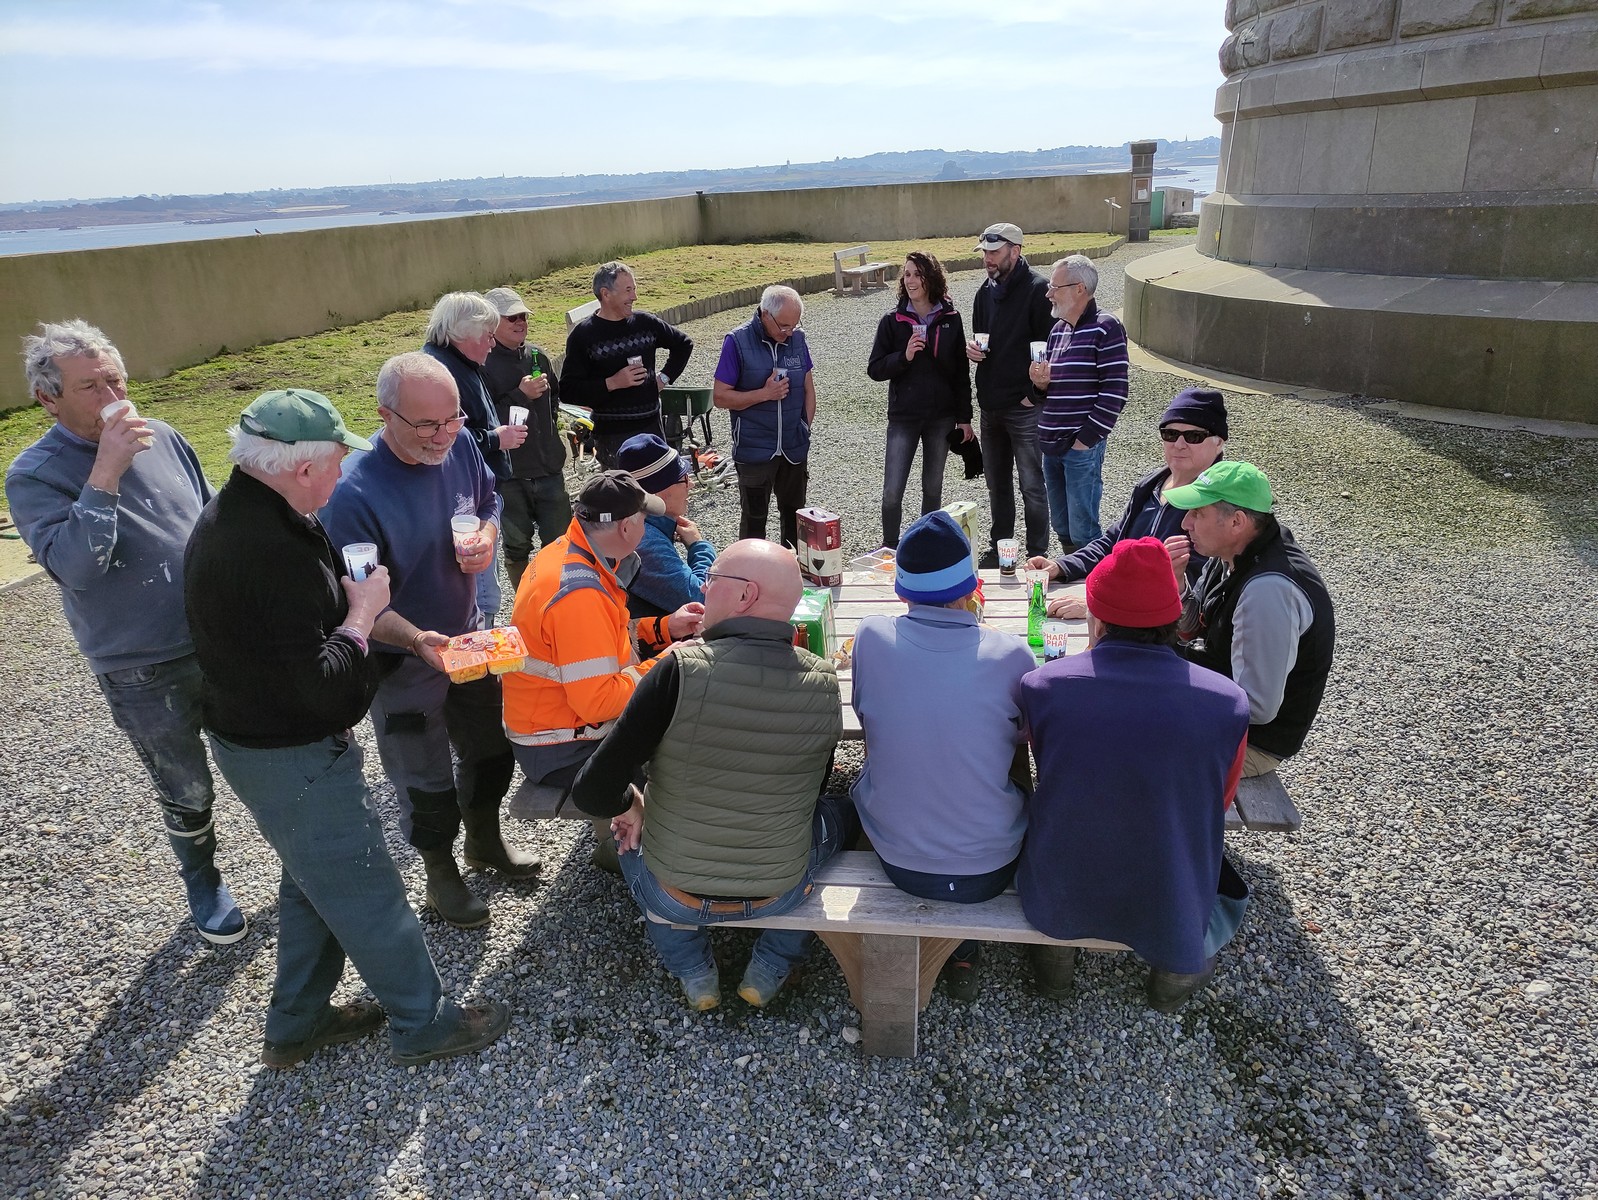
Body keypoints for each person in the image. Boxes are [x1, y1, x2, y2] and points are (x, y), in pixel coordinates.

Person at [183, 389, 510, 1067]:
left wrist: (412, 635)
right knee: (367, 887)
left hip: (273, 745)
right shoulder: (259, 549)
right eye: (335, 463)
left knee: (313, 881)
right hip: (291, 754)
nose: (341, 477)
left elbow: (331, 608)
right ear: (302, 467)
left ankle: (295, 1023)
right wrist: (363, 615)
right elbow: (327, 688)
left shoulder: (264, 509)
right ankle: (425, 1023)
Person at [7, 319, 245, 946]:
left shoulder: (164, 437)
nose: (112, 394)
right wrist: (106, 470)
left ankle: (299, 864)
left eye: (115, 377)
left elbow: (211, 519)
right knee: (185, 781)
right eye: (90, 386)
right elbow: (76, 567)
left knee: (263, 751)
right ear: (48, 399)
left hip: (219, 639)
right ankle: (203, 879)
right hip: (141, 663)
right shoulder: (34, 475)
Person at [569, 539, 848, 1012]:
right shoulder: (823, 682)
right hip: (776, 893)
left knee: (632, 836)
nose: (703, 585)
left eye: (712, 577)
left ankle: (695, 973)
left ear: (745, 595)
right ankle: (773, 962)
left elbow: (593, 790)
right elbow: (812, 789)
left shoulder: (677, 670)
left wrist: (638, 804)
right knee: (840, 812)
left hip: (674, 891)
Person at [320, 352, 537, 931]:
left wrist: (488, 540)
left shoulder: (459, 444)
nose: (444, 436)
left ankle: (484, 842)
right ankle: (441, 876)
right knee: (425, 776)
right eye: (427, 425)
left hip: (468, 638)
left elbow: (488, 503)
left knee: (494, 748)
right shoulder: (353, 493)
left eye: (454, 418)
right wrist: (417, 640)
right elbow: (357, 605)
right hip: (402, 658)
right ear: (384, 415)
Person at [1018, 537, 1252, 1013]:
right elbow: (1220, 799)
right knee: (1210, 868)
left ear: (1097, 618)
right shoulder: (1227, 702)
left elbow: (1046, 765)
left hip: (1063, 878)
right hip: (1168, 884)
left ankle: (1055, 968)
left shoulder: (1043, 687)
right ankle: (1173, 975)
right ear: (1174, 622)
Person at [849, 511, 1035, 1002]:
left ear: (901, 589)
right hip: (991, 865)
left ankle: (958, 947)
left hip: (898, 857)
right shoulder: (1013, 653)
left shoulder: (869, 637)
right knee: (1009, 761)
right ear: (974, 585)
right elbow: (1026, 735)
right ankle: (968, 949)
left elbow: (868, 721)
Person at [502, 471, 703, 848]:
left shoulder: (567, 552)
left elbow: (602, 640)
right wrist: (665, 663)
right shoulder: (579, 594)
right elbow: (598, 701)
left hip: (558, 730)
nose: (647, 527)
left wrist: (665, 628)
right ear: (627, 527)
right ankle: (641, 862)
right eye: (644, 520)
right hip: (563, 747)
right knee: (684, 769)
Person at [1164, 461, 1336, 777]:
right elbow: (1191, 628)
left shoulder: (1268, 590)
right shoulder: (1232, 554)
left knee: (1126, 739)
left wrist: (1166, 675)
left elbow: (1255, 706)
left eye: (1198, 513)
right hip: (1227, 718)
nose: (1185, 523)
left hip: (1250, 743)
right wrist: (1176, 586)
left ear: (1237, 522)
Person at [1026, 387, 1229, 620]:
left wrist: (1101, 607)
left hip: (1160, 630)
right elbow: (1114, 541)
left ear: (1219, 443)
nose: (1179, 444)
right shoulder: (1151, 485)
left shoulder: (1216, 504)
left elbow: (1194, 586)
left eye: (1193, 436)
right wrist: (1062, 566)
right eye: (1170, 434)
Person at [422, 291, 527, 622]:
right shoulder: (442, 373)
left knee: (483, 591)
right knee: (480, 595)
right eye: (487, 335)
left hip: (475, 493)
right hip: (462, 501)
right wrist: (496, 440)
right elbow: (446, 438)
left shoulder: (461, 363)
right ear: (461, 334)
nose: (492, 344)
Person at [866, 252, 975, 548]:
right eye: (907, 274)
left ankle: (926, 547)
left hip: (941, 418)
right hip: (904, 417)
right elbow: (874, 369)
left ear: (932, 278)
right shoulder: (892, 320)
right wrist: (904, 356)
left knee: (932, 488)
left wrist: (964, 418)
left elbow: (961, 373)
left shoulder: (951, 318)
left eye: (918, 274)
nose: (911, 280)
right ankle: (889, 547)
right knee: (892, 491)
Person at [1026, 254, 1128, 553]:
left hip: (1079, 445)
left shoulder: (1106, 327)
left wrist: (1085, 441)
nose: (1048, 294)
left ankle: (1090, 591)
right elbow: (1049, 391)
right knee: (1062, 525)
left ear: (1079, 289)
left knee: (1084, 529)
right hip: (1052, 444)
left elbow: (1116, 391)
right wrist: (1040, 383)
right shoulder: (1058, 330)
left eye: (1055, 287)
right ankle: (1072, 577)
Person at [965, 222, 1054, 564]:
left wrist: (1032, 395)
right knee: (996, 485)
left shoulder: (1038, 290)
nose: (988, 259)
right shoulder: (983, 294)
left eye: (994, 252)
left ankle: (1036, 553)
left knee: (1032, 485)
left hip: (1024, 407)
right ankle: (1002, 551)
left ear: (1015, 252)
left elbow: (1049, 350)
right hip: (991, 406)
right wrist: (973, 351)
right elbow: (982, 341)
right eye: (985, 252)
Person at [559, 261, 693, 468]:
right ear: (606, 294)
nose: (634, 297)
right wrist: (612, 383)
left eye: (634, 289)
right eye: (628, 290)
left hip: (652, 429)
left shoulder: (645, 323)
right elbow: (567, 391)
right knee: (622, 498)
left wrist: (663, 378)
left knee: (659, 493)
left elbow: (684, 344)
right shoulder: (584, 335)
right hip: (613, 438)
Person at [480, 286, 571, 591]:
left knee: (560, 543)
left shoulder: (538, 355)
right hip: (510, 475)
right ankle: (525, 603)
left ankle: (558, 597)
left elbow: (555, 398)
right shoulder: (482, 364)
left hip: (548, 469)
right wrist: (521, 395)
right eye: (511, 318)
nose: (520, 322)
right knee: (516, 546)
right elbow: (483, 420)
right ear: (491, 323)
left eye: (523, 316)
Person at [712, 284, 816, 548]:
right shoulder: (736, 342)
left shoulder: (798, 340)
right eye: (784, 326)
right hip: (754, 451)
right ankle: (752, 581)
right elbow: (720, 397)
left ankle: (792, 581)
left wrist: (804, 427)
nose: (789, 333)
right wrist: (764, 394)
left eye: (794, 326)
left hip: (794, 448)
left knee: (795, 520)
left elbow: (808, 388)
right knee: (754, 522)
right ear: (764, 314)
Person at [615, 432, 716, 653]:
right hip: (634, 659)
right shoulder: (644, 540)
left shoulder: (640, 525)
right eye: (684, 479)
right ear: (659, 492)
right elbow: (703, 600)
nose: (690, 486)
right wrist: (699, 546)